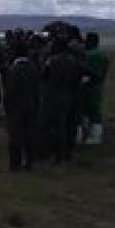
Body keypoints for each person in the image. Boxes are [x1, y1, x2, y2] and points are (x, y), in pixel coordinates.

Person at [40, 34, 86, 163]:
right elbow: (93, 75)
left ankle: (51, 152)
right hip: (69, 97)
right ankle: (66, 153)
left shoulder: (50, 61)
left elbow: (42, 77)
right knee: (68, 126)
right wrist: (81, 86)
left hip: (51, 97)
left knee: (50, 125)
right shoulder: (75, 61)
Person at [3, 34, 39, 171]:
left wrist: (7, 108)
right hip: (31, 104)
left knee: (15, 137)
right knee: (30, 135)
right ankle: (30, 162)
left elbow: (9, 92)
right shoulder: (33, 68)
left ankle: (15, 164)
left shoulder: (13, 70)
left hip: (16, 107)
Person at [83, 32, 109, 144]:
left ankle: (93, 136)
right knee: (95, 110)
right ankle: (95, 135)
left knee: (88, 110)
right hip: (98, 86)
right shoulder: (102, 54)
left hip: (87, 86)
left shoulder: (88, 55)